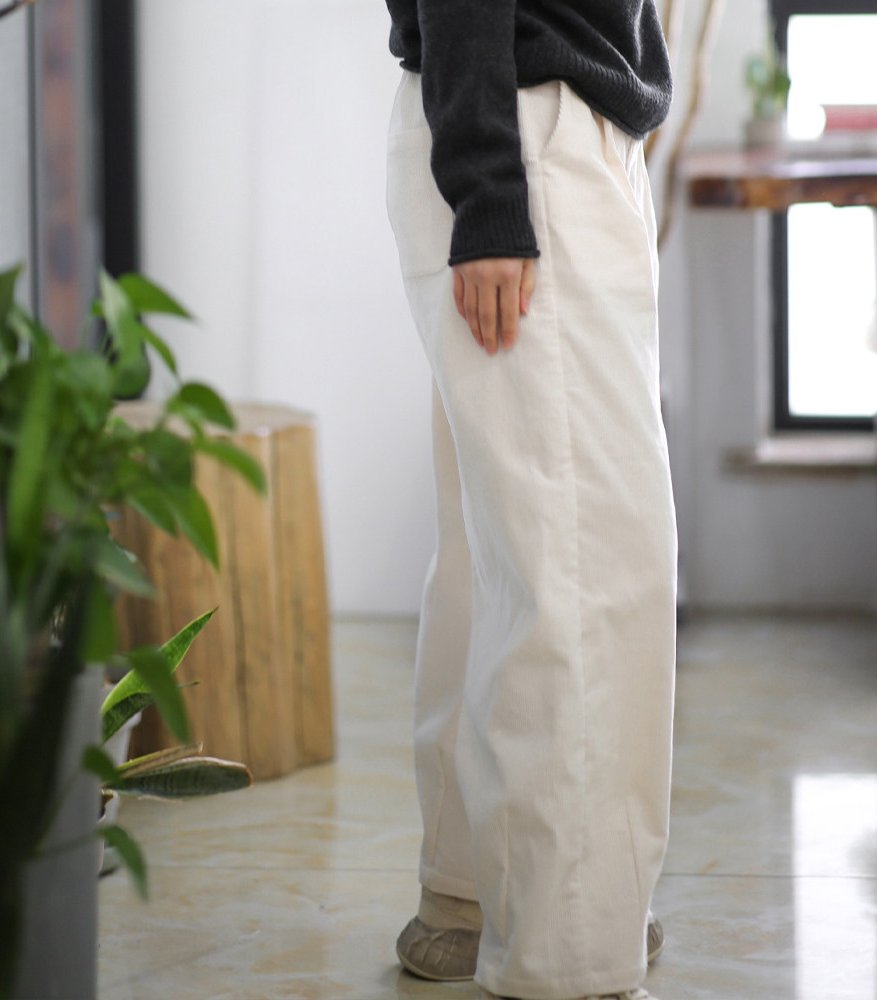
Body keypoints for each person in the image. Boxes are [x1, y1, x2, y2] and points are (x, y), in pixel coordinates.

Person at [382, 3, 678, 999]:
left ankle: (472, 894)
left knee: (503, 549)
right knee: (588, 562)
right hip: (525, 138)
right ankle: (567, 948)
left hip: (515, 126)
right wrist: (491, 192)